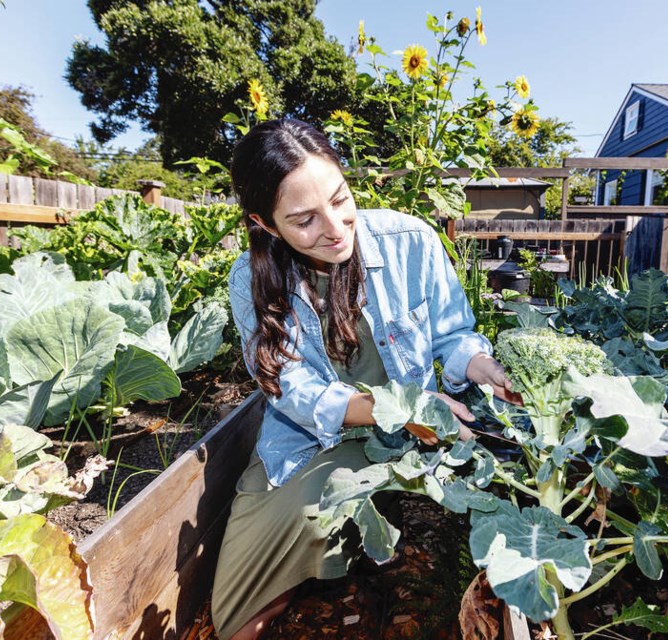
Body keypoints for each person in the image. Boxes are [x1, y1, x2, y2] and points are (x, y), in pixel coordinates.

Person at [211, 118, 517, 640]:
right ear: (265, 222)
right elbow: (292, 388)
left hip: (421, 432)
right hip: (320, 437)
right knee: (236, 611)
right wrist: (398, 408)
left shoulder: (411, 242)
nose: (334, 228)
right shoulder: (251, 278)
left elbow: (452, 336)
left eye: (340, 199)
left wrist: (480, 365)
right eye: (304, 219)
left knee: (323, 514)